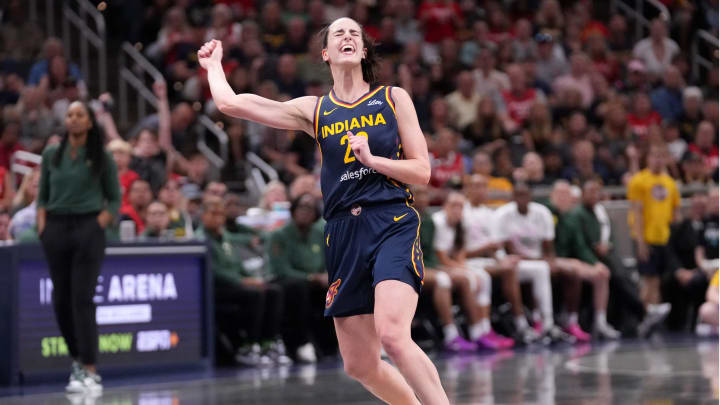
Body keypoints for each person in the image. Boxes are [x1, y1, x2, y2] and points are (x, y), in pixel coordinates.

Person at [199, 17, 450, 403]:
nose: (348, 36)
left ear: (363, 50)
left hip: (391, 222)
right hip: (342, 232)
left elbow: (422, 170)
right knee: (360, 364)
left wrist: (373, 159)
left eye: (355, 33)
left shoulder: (393, 98)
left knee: (394, 336)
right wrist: (214, 68)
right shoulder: (316, 110)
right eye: (339, 33)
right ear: (325, 53)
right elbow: (231, 103)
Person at [37, 101, 121, 392]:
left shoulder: (102, 155)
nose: (73, 119)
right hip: (56, 228)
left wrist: (100, 222)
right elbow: (42, 195)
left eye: (79, 115)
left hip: (88, 227)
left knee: (81, 299)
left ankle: (90, 368)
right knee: (60, 301)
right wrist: (42, 226)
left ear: (89, 122)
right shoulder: (51, 154)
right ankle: (76, 361)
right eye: (70, 115)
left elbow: (114, 197)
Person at [197, 196, 289, 366]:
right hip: (215, 288)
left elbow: (237, 263)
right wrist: (243, 281)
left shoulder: (225, 237)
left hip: (237, 285)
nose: (218, 217)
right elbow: (214, 270)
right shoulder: (201, 238)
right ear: (203, 216)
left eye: (220, 214)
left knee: (274, 290)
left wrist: (252, 278)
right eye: (213, 213)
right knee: (254, 295)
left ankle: (268, 343)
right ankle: (248, 346)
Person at [493, 183, 574, 343]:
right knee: (539, 269)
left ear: (530, 197)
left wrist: (550, 261)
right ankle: (527, 324)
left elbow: (549, 247)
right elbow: (505, 249)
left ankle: (548, 323)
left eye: (525, 195)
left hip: (538, 261)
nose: (522, 199)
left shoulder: (542, 213)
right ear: (513, 197)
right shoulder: (502, 214)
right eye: (518, 195)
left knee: (550, 269)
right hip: (514, 262)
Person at [432, 191, 514, 350]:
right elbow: (441, 258)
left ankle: (484, 328)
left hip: (450, 265)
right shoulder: (439, 222)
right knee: (469, 278)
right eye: (453, 206)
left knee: (483, 277)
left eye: (460, 206)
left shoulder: (461, 224)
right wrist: (464, 269)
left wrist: (464, 267)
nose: (456, 210)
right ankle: (470, 331)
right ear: (444, 207)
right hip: (436, 265)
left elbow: (459, 256)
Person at [462, 174, 538, 344]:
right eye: (476, 186)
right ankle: (489, 327)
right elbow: (459, 251)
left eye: (484, 186)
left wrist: (503, 257)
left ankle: (528, 321)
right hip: (468, 261)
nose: (481, 190)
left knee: (510, 266)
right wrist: (487, 249)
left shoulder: (490, 214)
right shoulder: (462, 212)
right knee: (496, 274)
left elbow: (496, 246)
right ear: (468, 189)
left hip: (488, 260)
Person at [266, 193, 334, 362]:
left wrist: (326, 275)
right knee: (298, 289)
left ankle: (331, 345)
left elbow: (329, 261)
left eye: (309, 209)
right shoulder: (279, 235)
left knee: (335, 290)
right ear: (293, 210)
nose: (304, 212)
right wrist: (311, 277)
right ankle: (301, 343)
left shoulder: (320, 233)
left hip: (315, 282)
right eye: (301, 208)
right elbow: (280, 269)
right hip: (286, 282)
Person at [412, 185, 477, 352]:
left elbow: (430, 255)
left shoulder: (429, 220)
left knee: (463, 278)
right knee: (443, 279)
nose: (423, 199)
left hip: (426, 266)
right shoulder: (404, 218)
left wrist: (439, 268)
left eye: (426, 194)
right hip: (406, 267)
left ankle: (477, 331)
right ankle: (450, 334)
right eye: (419, 194)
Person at [627, 143, 678, 329]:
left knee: (655, 280)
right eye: (654, 155)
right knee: (649, 279)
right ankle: (642, 317)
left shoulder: (670, 182)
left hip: (663, 238)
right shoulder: (639, 181)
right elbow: (637, 212)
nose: (657, 159)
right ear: (647, 158)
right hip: (645, 237)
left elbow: (674, 212)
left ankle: (651, 320)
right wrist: (640, 242)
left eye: (661, 156)